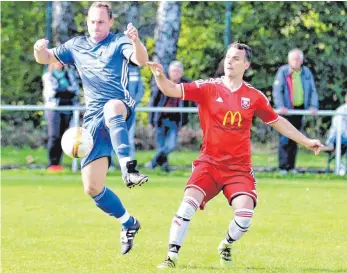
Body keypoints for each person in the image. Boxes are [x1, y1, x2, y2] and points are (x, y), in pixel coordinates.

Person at [147, 42, 323, 269]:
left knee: (244, 217)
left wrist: (307, 141)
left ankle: (226, 245)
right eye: (228, 57)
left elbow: (278, 122)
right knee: (186, 206)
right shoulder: (207, 87)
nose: (230, 61)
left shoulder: (254, 96)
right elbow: (170, 89)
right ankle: (170, 257)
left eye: (236, 59)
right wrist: (159, 75)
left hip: (238, 169)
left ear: (246, 65)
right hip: (208, 164)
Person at [34, 1, 149, 255]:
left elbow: (141, 60)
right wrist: (38, 48)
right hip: (93, 121)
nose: (95, 26)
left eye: (101, 21)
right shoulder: (76, 46)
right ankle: (129, 223)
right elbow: (45, 58)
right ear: (87, 22)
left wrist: (137, 41)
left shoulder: (119, 42)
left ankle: (129, 169)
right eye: (92, 21)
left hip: (120, 107)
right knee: (92, 187)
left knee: (111, 108)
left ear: (110, 22)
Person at [273, 48, 319, 174]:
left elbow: (312, 90)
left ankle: (291, 167)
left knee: (296, 138)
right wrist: (280, 106)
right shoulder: (283, 72)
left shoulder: (306, 73)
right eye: (293, 59)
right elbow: (277, 91)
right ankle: (283, 167)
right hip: (286, 111)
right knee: (284, 138)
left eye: (298, 59)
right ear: (289, 60)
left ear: (302, 60)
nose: (296, 61)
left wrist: (313, 106)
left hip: (299, 110)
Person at [146, 61, 191, 172]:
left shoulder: (186, 86)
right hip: (161, 120)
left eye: (177, 71)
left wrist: (184, 124)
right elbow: (154, 102)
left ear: (181, 73)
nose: (175, 73)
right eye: (173, 71)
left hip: (175, 122)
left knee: (170, 146)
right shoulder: (162, 83)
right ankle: (164, 169)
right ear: (169, 72)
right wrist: (151, 121)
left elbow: (189, 105)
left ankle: (152, 164)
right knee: (161, 147)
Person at [43, 62, 80, 172]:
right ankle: (53, 163)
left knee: (64, 136)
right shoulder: (48, 76)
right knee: (54, 136)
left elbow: (75, 90)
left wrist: (64, 92)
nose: (59, 64)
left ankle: (59, 163)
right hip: (54, 109)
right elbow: (52, 92)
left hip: (68, 109)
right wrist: (66, 92)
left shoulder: (70, 74)